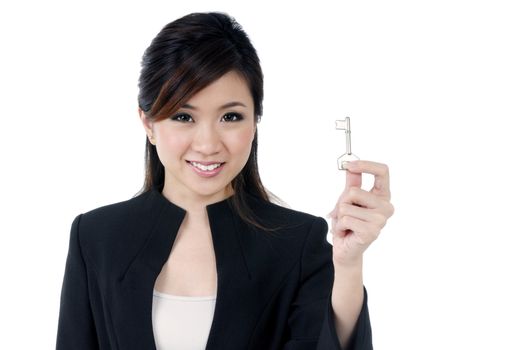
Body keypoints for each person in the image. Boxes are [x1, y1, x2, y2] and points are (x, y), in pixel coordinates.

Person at [55, 12, 394, 350]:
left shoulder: (297, 244)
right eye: (183, 116)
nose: (207, 144)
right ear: (148, 122)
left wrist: (348, 266)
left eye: (230, 117)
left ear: (255, 121)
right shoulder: (95, 237)